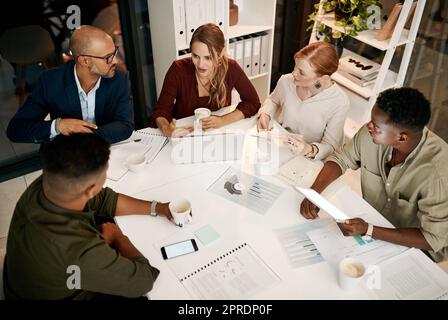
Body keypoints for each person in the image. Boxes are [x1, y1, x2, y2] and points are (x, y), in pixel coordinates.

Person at [3, 133, 175, 299]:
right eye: (105, 174)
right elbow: (143, 280)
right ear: (90, 190)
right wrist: (117, 235)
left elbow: (104, 200)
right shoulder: (76, 250)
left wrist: (158, 208)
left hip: (35, 278)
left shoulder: (49, 181)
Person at [300, 87, 448, 262]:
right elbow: (341, 159)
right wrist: (314, 192)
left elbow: (433, 239)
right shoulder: (372, 134)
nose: (368, 127)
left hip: (415, 245)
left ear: (402, 138)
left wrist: (369, 230)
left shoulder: (439, 173)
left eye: (376, 126)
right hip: (372, 222)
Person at [6, 25, 134, 145]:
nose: (115, 61)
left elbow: (125, 125)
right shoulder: (51, 81)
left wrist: (88, 137)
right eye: (108, 57)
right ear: (84, 60)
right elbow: (16, 129)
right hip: (65, 155)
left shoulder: (119, 78)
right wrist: (58, 126)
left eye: (114, 52)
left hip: (103, 149)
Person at [151, 23, 261, 137]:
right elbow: (161, 111)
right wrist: (166, 129)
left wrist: (222, 120)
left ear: (221, 53)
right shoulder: (178, 69)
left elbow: (253, 102)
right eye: (195, 56)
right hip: (185, 135)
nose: (200, 64)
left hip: (217, 135)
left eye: (208, 58)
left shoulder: (231, 68)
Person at [257, 41, 349, 160]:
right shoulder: (286, 81)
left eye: (302, 72)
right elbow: (273, 100)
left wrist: (307, 149)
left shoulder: (339, 102)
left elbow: (331, 146)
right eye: (295, 66)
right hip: (280, 147)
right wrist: (265, 114)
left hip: (309, 159)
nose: (294, 73)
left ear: (323, 78)